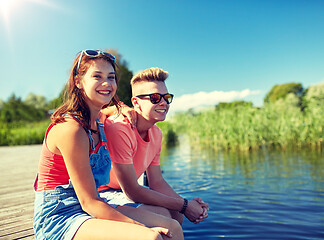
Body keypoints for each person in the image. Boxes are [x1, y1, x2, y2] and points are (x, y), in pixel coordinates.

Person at [33, 50, 184, 240]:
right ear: (78, 81)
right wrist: (140, 228)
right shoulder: (71, 130)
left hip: (93, 204)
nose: (107, 83)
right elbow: (89, 202)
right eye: (97, 76)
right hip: (61, 216)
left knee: (172, 226)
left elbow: (110, 111)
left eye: (111, 77)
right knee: (150, 238)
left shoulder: (99, 121)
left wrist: (123, 108)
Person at [99, 67, 209, 226]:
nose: (163, 103)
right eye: (156, 97)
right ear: (136, 103)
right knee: (163, 215)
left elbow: (156, 181)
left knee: (177, 215)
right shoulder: (120, 128)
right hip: (102, 192)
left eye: (167, 97)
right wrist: (185, 206)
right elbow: (132, 190)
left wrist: (185, 204)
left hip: (122, 191)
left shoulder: (157, 134)